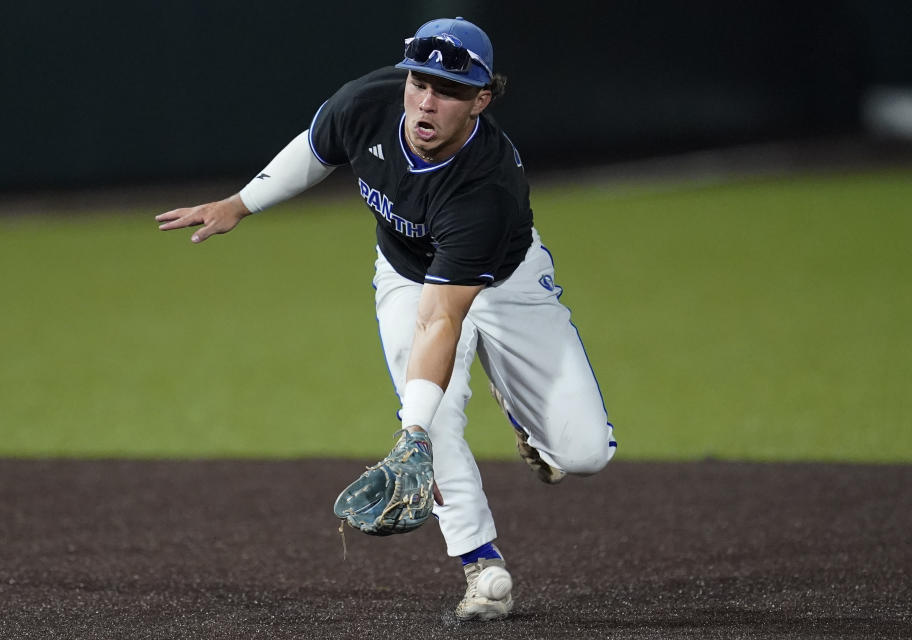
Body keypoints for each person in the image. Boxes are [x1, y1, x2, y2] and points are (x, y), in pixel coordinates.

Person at [156, 16, 617, 622]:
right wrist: (239, 204)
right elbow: (316, 148)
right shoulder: (367, 103)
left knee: (585, 454)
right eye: (419, 81)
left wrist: (412, 432)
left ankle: (522, 417)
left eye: (449, 90)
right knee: (433, 410)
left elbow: (442, 320)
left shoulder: (486, 189)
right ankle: (481, 564)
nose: (427, 100)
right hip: (405, 276)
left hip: (505, 284)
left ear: (480, 101)